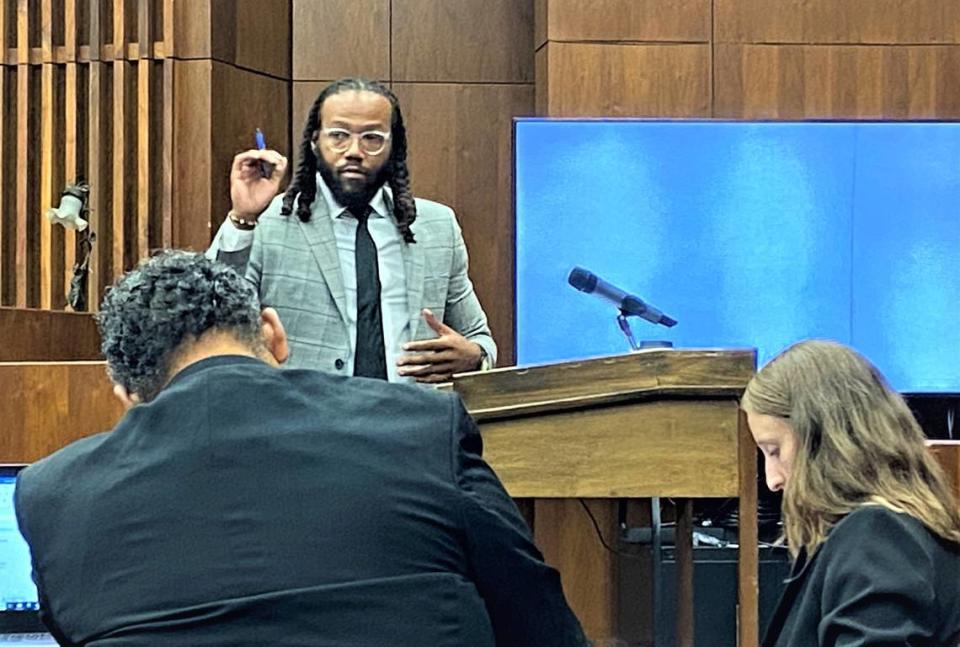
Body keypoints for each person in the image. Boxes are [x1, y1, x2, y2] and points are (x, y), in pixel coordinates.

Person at [14, 251, 587, 647]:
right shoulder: (419, 425)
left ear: (123, 392)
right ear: (272, 333)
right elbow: (541, 626)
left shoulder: (50, 494)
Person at [207, 77, 495, 384]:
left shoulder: (436, 226)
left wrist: (475, 357)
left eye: (372, 138)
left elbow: (480, 338)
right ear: (315, 142)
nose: (354, 150)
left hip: (411, 420)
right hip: (306, 421)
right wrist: (243, 218)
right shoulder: (273, 221)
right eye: (339, 136)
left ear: (393, 146)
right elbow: (212, 316)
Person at [741, 340, 960, 646]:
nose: (772, 480)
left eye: (774, 451)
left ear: (826, 439)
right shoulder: (888, 532)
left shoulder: (877, 536)